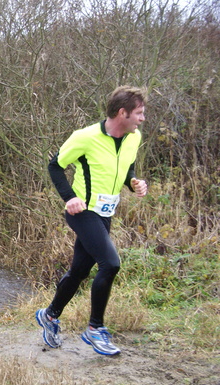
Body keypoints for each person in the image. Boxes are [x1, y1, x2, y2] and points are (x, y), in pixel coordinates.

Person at [36, 86, 148, 356]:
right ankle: (95, 329)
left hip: (106, 213)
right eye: (139, 113)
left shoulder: (134, 138)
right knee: (110, 264)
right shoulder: (85, 137)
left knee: (79, 271)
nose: (143, 118)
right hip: (83, 212)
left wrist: (133, 183)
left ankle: (49, 315)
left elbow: (124, 168)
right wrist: (70, 197)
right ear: (122, 113)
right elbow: (55, 165)